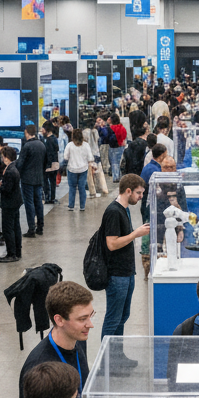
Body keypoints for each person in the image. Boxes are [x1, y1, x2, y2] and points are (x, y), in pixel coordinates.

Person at [101, 174, 149, 347]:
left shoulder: (125, 209)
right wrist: (136, 233)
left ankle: (117, 355)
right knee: (113, 318)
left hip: (127, 272)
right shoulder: (114, 212)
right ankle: (106, 359)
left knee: (122, 317)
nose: (141, 197)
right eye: (138, 193)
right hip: (117, 274)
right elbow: (112, 244)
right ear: (128, 191)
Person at [17, 125, 48, 238]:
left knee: (29, 204)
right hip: (39, 179)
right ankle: (40, 226)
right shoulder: (41, 145)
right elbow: (45, 162)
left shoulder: (27, 146)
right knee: (38, 202)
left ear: (26, 132)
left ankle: (31, 228)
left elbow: (20, 164)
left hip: (27, 180)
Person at [0, 147, 23, 263]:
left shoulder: (10, 171)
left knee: (8, 229)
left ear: (6, 157)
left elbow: (7, 189)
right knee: (16, 227)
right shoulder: (14, 168)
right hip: (15, 202)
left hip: (9, 204)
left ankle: (11, 253)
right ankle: (17, 252)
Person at [64, 128, 95, 212]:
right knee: (82, 188)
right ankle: (82, 206)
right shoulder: (86, 145)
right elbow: (90, 157)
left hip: (71, 169)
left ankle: (71, 205)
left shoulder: (70, 145)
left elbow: (65, 157)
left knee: (72, 188)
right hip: (83, 169)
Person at [41, 120, 60, 205]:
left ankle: (48, 197)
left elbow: (49, 154)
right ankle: (52, 197)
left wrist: (46, 165)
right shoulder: (54, 139)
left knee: (46, 182)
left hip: (49, 165)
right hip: (55, 164)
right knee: (52, 182)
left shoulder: (48, 140)